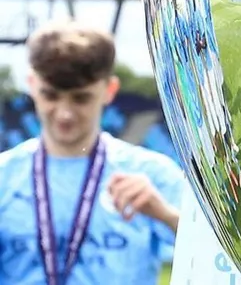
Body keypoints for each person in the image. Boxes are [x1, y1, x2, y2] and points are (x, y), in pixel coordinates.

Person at [0, 20, 187, 284]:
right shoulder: (4, 176)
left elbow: (215, 257)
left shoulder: (152, 175)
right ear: (31, 85)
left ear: (109, 90)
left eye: (81, 98)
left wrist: (166, 215)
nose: (65, 113)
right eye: (51, 95)